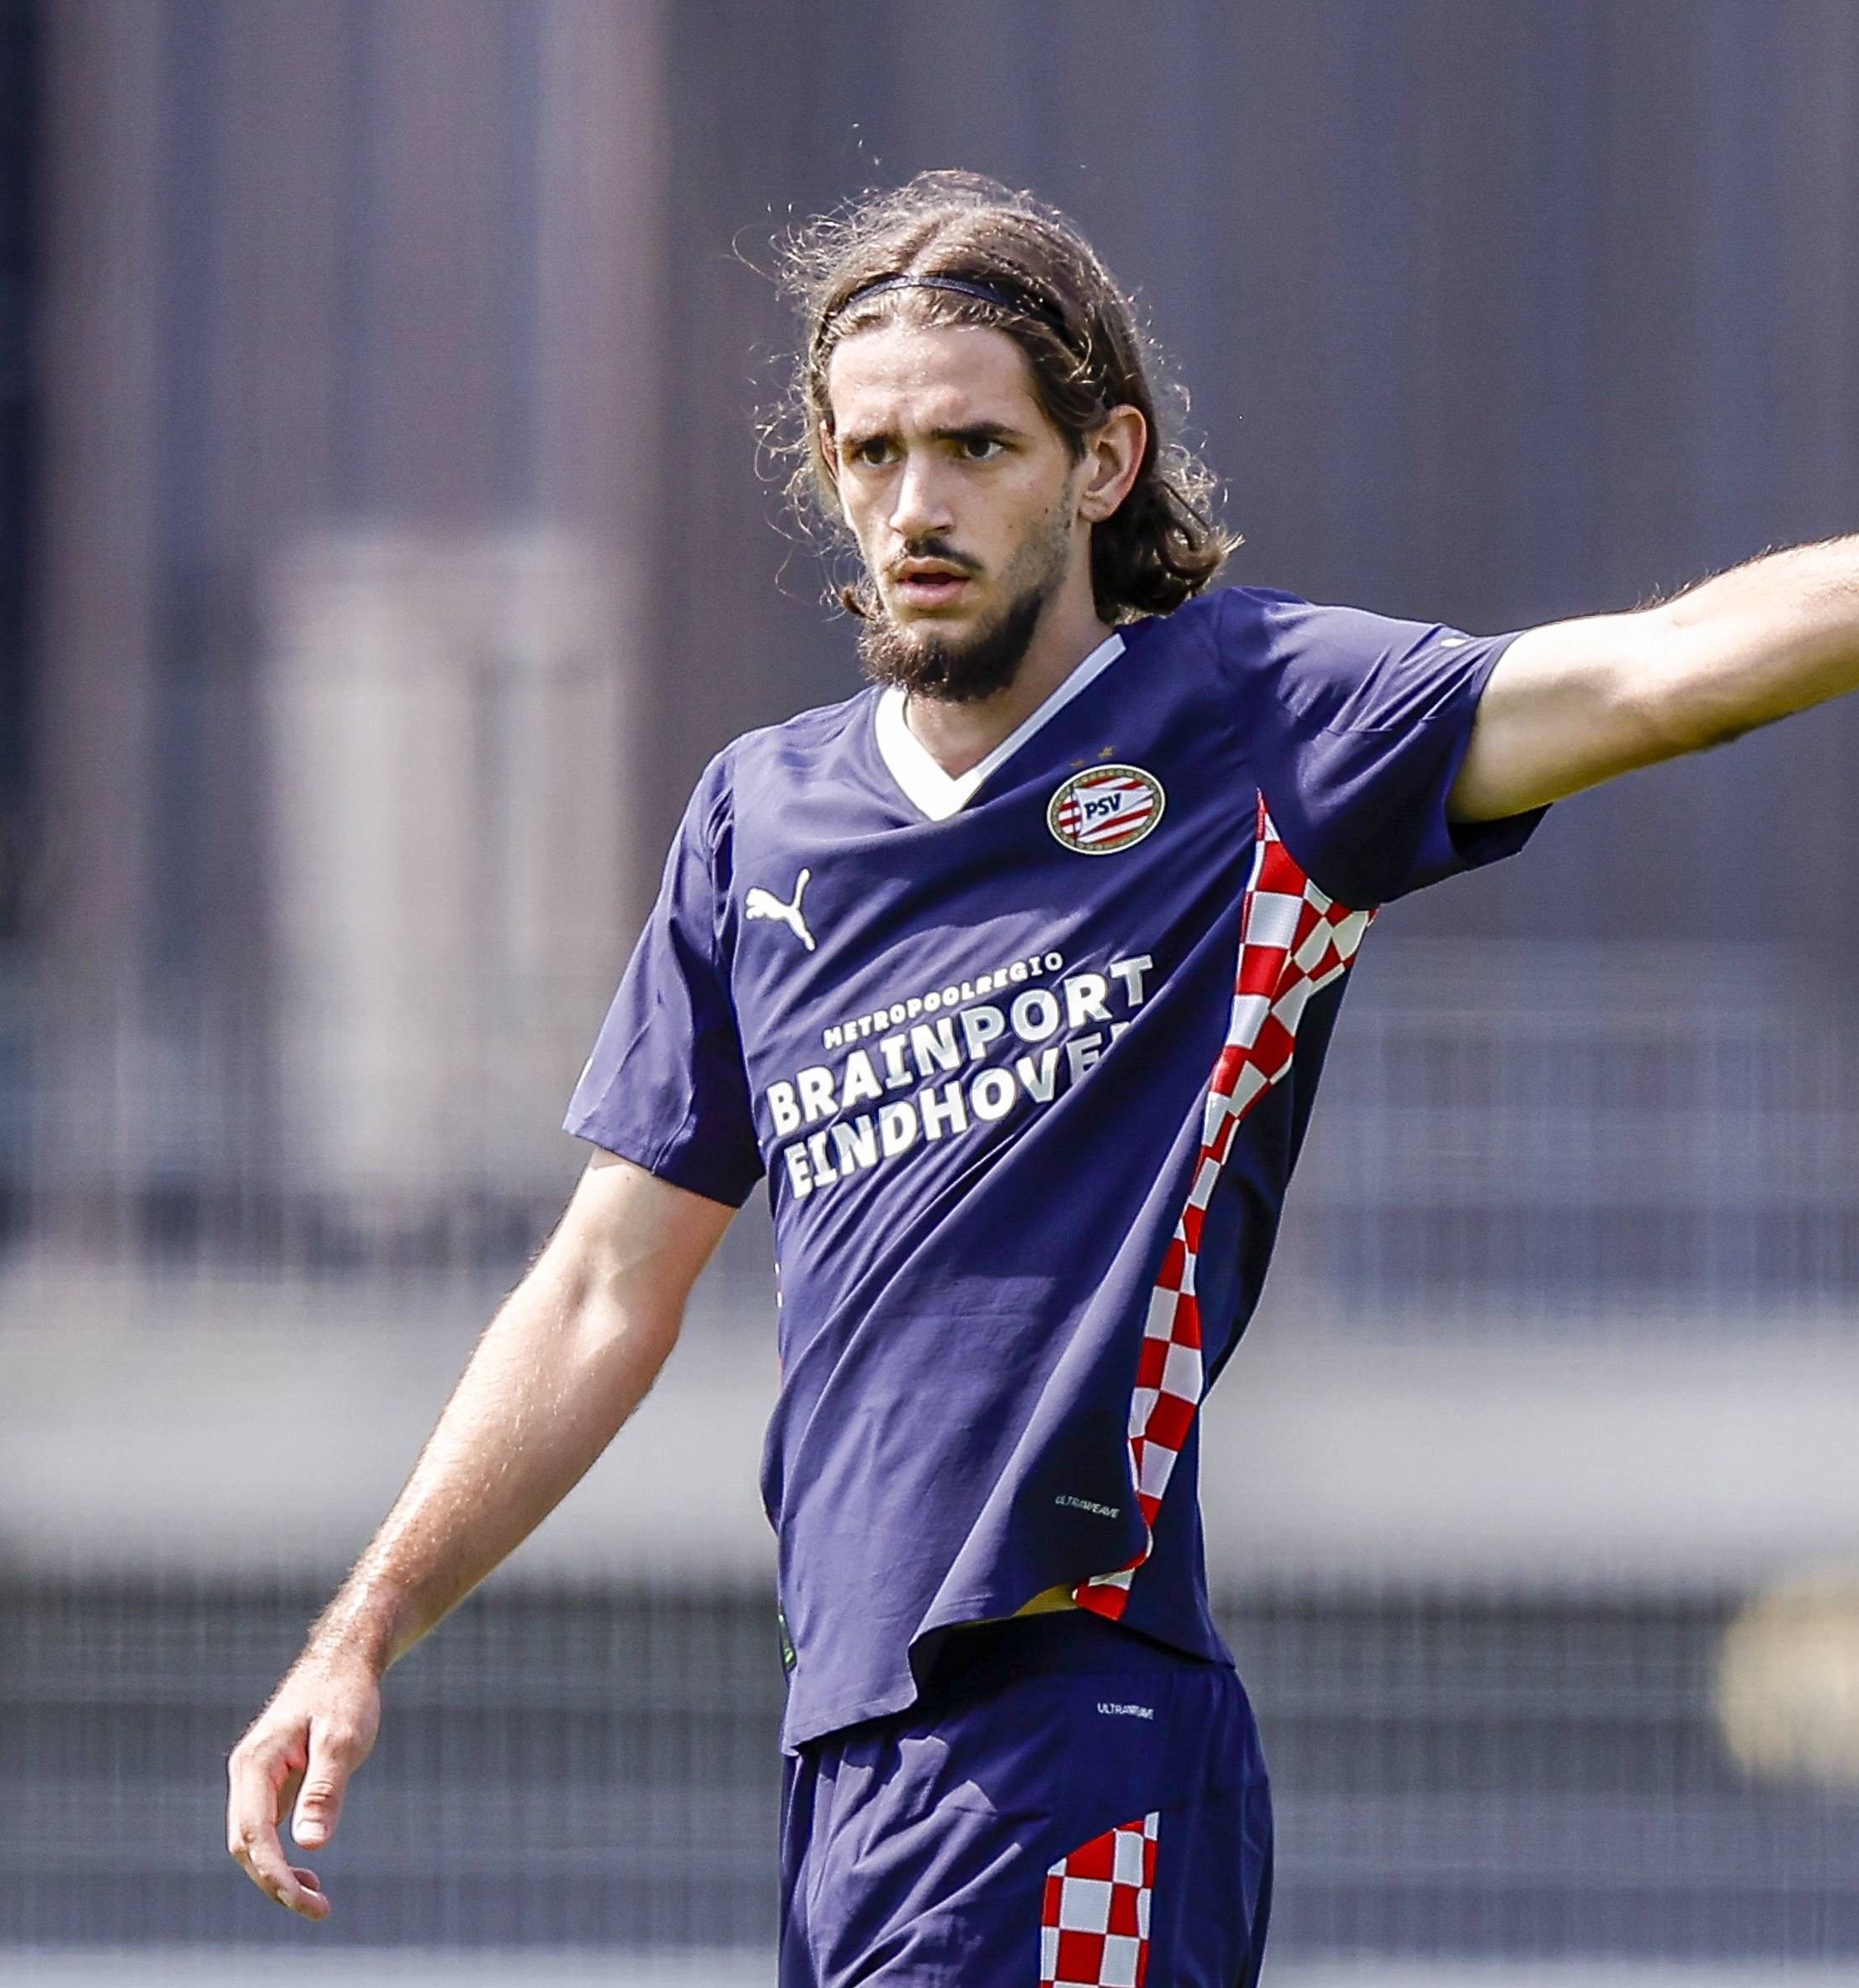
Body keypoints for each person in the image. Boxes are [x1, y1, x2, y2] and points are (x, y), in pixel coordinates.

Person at [227, 170, 1859, 1985]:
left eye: (975, 446)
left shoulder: (1256, 720)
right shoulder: (758, 817)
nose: (914, 503)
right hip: (847, 1754)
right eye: (871, 453)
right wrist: (360, 1629)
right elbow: (604, 1284)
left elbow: (1660, 675)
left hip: (1074, 1730)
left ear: (1102, 463)